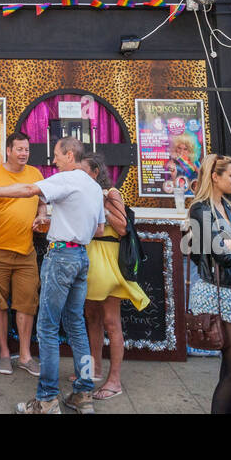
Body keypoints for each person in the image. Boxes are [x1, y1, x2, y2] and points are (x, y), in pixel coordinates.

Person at [0, 137, 102, 414]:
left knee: (48, 329)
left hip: (61, 257)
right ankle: (84, 393)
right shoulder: (92, 185)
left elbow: (29, 189)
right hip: (81, 257)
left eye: (56, 155)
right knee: (77, 327)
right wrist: (59, 221)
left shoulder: (67, 178)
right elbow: (99, 230)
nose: (53, 160)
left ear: (68, 155)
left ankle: (47, 399)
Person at [186, 154, 231, 415]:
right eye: (230, 175)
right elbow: (223, 255)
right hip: (218, 291)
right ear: (215, 178)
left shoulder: (230, 209)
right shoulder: (200, 209)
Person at [0, 132, 44, 377]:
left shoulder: (35, 174)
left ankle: (25, 356)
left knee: (27, 305)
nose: (24, 153)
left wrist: (42, 214)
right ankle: (4, 353)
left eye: (26, 149)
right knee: (0, 304)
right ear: (8, 150)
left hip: (26, 253)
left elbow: (43, 200)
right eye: (19, 149)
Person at [81, 153, 148, 400]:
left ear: (96, 173)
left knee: (111, 321)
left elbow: (122, 228)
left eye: (83, 171)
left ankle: (115, 380)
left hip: (108, 261)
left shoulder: (111, 194)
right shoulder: (83, 195)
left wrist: (103, 206)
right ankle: (94, 369)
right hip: (89, 260)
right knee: (91, 317)